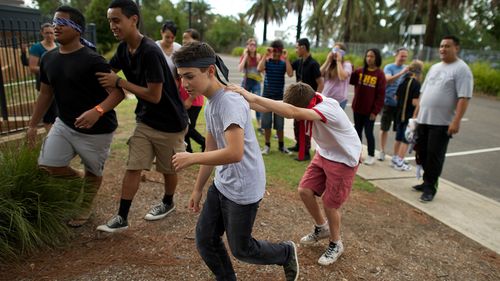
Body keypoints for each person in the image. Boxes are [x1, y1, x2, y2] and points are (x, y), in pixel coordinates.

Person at [171, 41, 299, 281]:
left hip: (244, 188)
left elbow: (234, 152)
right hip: (223, 184)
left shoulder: (228, 102)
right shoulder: (212, 103)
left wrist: (191, 158)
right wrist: (198, 188)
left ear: (210, 71)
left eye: (189, 76)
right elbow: (211, 148)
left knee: (242, 249)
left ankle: (285, 252)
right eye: (180, 77)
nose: (184, 84)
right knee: (205, 239)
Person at [229, 81, 361, 266]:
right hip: (325, 153)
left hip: (343, 159)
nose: (295, 119)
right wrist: (238, 99)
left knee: (330, 204)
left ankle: (336, 242)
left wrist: (251, 95)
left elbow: (292, 112)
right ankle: (322, 228)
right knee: (304, 190)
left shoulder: (327, 108)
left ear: (305, 104)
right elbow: (271, 107)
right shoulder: (307, 99)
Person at [26, 6, 124, 227]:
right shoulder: (49, 59)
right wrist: (33, 125)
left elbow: (118, 93)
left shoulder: (93, 60)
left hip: (97, 129)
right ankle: (79, 178)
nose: (56, 26)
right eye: (54, 22)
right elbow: (45, 93)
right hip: (64, 124)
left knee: (93, 171)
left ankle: (85, 205)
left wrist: (97, 111)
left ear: (78, 29)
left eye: (62, 23)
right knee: (47, 166)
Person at [96, 0, 188, 232]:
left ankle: (168, 202)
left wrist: (120, 82)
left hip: (170, 122)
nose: (112, 26)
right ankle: (122, 217)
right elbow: (108, 71)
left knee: (168, 168)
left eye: (116, 20)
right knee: (133, 166)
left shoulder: (150, 51)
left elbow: (154, 95)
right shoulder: (122, 49)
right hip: (145, 120)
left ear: (133, 19)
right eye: (110, 21)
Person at [413, 35, 473, 202]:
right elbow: (423, 93)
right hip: (424, 119)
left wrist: (456, 121)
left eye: (447, 46)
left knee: (434, 155)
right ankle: (426, 181)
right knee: (422, 153)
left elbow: (464, 97)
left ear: (456, 48)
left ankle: (430, 187)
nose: (442, 49)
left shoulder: (462, 69)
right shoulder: (435, 67)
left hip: (442, 122)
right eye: (441, 46)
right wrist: (416, 114)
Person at [289, 38, 324, 161]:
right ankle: (298, 145)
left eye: (297, 47)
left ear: (303, 48)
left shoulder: (313, 64)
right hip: (298, 100)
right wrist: (286, 58)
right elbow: (288, 72)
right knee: (297, 124)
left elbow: (320, 82)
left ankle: (305, 152)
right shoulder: (299, 62)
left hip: (308, 101)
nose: (296, 50)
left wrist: (316, 98)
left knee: (305, 126)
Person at [349, 48, 386, 165]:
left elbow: (381, 95)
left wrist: (375, 111)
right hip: (358, 109)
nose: (369, 58)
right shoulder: (360, 71)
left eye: (372, 56)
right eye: (367, 56)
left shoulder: (380, 74)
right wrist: (351, 70)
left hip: (370, 111)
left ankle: (370, 155)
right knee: (357, 132)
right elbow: (350, 80)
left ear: (377, 58)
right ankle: (357, 153)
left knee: (369, 133)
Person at [257, 39, 293, 155]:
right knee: (266, 123)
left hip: (279, 98)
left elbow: (290, 73)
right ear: (272, 51)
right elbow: (259, 69)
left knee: (279, 124)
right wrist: (265, 55)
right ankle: (267, 146)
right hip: (267, 97)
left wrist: (286, 58)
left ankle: (281, 146)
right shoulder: (267, 62)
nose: (277, 53)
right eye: (275, 50)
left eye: (279, 51)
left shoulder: (283, 64)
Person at [378, 47, 409, 162]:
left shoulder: (407, 69)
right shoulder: (389, 67)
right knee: (384, 128)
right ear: (396, 55)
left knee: (400, 130)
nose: (403, 58)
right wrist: (402, 73)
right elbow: (387, 80)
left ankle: (396, 155)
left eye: (405, 56)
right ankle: (382, 151)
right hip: (388, 103)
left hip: (401, 106)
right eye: (402, 56)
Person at [392, 60, 424, 171]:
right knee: (406, 139)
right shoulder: (416, 84)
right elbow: (415, 102)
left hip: (399, 113)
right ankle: (400, 162)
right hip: (409, 115)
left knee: (398, 138)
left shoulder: (403, 81)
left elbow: (396, 97)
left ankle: (395, 158)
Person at [178, 27, 206, 153]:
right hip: (183, 99)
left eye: (187, 38)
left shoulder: (198, 59)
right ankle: (187, 150)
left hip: (194, 101)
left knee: (188, 127)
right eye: (183, 38)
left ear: (196, 41)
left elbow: (202, 82)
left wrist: (190, 99)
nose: (184, 41)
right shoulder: (185, 57)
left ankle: (204, 142)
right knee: (183, 126)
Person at [28, 23, 59, 131]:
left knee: (58, 112)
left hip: (59, 83)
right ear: (42, 33)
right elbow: (32, 67)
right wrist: (49, 69)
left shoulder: (59, 46)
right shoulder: (36, 48)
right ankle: (51, 138)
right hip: (45, 83)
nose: (49, 35)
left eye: (51, 33)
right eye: (47, 33)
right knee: (49, 113)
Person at [238, 38, 263, 131]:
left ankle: (259, 125)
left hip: (256, 83)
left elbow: (262, 70)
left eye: (254, 45)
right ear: (247, 46)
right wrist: (245, 57)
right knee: (243, 103)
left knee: (258, 103)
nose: (252, 47)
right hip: (246, 82)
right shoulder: (245, 56)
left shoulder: (258, 56)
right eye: (250, 45)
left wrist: (259, 61)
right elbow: (240, 69)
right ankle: (243, 123)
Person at [320, 43, 352, 109]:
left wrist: (339, 61)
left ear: (343, 53)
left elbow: (342, 77)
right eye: (334, 50)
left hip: (339, 101)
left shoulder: (347, 65)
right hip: (326, 97)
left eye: (338, 51)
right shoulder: (330, 64)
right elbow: (318, 74)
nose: (335, 53)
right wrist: (327, 61)